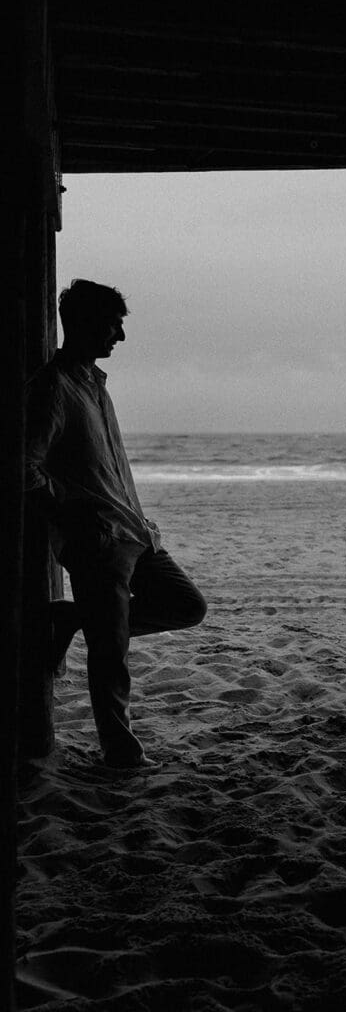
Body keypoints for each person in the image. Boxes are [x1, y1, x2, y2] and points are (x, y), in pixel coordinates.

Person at [25, 279, 207, 769]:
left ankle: (71, 618)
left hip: (135, 532)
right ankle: (121, 754)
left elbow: (105, 468)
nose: (120, 337)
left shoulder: (95, 386)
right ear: (84, 322)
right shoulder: (52, 387)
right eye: (113, 324)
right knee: (111, 658)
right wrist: (71, 509)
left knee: (188, 605)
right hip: (98, 540)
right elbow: (23, 464)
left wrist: (136, 515)